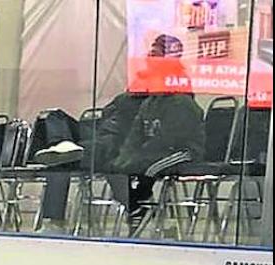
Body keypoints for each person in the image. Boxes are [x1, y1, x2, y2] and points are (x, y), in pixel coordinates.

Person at [35, 34, 204, 235]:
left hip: (120, 138)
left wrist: (130, 155)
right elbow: (119, 116)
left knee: (88, 161)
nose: (149, 58)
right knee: (55, 118)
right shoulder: (142, 91)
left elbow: (157, 134)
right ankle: (62, 143)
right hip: (103, 129)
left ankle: (137, 207)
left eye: (156, 53)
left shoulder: (174, 93)